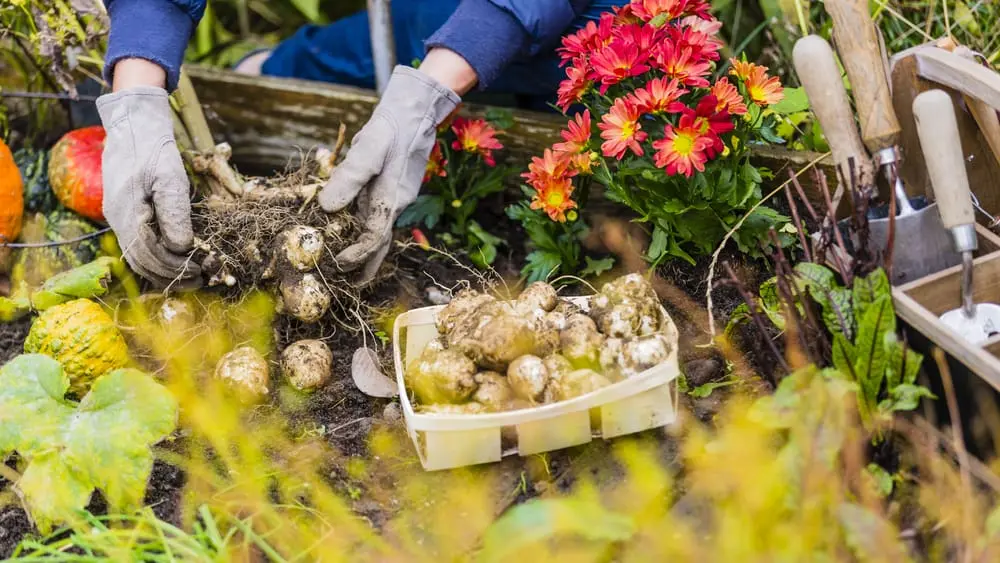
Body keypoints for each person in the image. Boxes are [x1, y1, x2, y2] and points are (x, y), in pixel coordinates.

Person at [98, 0, 614, 288]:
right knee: (394, 32)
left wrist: (429, 92)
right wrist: (137, 93)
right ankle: (266, 66)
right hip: (438, 11)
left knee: (584, 72)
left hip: (600, 26)